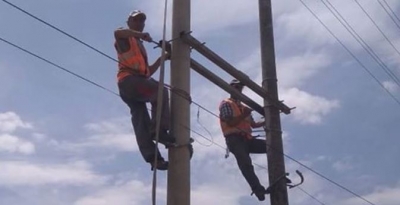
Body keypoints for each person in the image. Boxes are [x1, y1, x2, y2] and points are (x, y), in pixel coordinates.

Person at [114, 10, 175, 171]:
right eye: (136, 20)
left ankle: (153, 158)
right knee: (160, 91)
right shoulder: (126, 37)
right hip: (130, 81)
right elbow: (117, 32)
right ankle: (159, 130)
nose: (139, 23)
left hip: (132, 85)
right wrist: (139, 35)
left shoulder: (139, 46)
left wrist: (163, 58)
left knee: (140, 119)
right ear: (129, 22)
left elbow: (147, 71)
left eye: (142, 21)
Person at [219, 79, 268, 201]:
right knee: (246, 164)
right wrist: (244, 114)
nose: (238, 89)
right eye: (236, 87)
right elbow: (230, 122)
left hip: (247, 139)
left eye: (240, 87)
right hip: (234, 139)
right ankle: (257, 189)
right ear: (230, 89)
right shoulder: (226, 104)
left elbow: (253, 125)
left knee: (271, 146)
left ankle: (278, 172)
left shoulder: (243, 107)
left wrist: (268, 120)